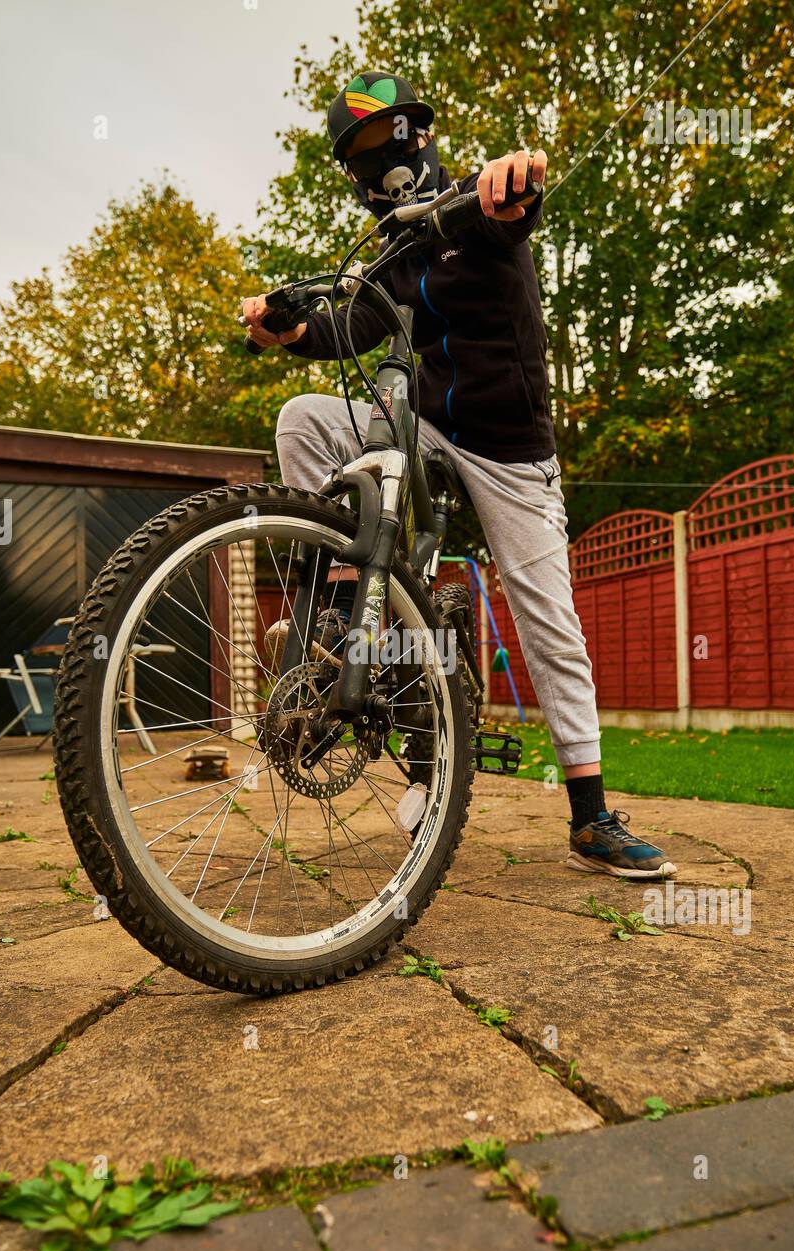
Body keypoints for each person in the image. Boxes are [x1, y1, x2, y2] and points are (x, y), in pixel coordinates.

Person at [242, 71, 676, 880]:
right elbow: (355, 326)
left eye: (395, 136)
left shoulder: (474, 210)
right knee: (305, 417)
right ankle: (334, 612)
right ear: (351, 172)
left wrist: (513, 183)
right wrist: (292, 329)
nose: (388, 158)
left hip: (512, 449)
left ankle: (590, 818)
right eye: (366, 149)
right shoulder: (391, 251)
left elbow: (512, 211)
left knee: (548, 615)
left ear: (423, 135)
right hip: (431, 431)